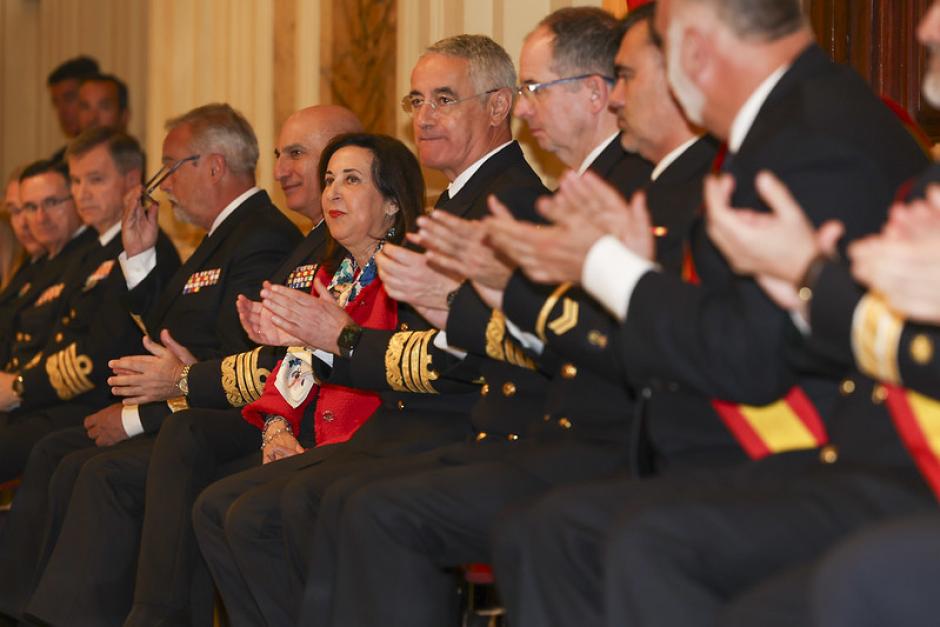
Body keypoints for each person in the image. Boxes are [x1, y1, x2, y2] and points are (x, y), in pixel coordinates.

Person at [474, 0, 932, 624]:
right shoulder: (792, 122)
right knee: (557, 528)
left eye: (631, 73)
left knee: (623, 537)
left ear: (692, 50)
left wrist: (609, 269)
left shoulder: (806, 137)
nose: (926, 27)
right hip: (807, 439)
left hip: (845, 451)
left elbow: (753, 356)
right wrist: (622, 268)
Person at [193, 34, 547, 627]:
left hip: (455, 422)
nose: (424, 117)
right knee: (223, 506)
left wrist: (338, 339)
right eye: (416, 101)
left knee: (285, 505)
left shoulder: (513, 204)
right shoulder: (456, 206)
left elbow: (464, 355)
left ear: (498, 105)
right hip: (406, 415)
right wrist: (309, 340)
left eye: (442, 99)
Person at [33, 105, 365, 627]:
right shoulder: (277, 241)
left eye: (297, 154)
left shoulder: (266, 236)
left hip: (254, 416)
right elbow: (182, 333)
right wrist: (142, 262)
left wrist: (168, 394)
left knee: (111, 467)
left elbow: (246, 357)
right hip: (239, 406)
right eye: (281, 155)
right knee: (73, 457)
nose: (280, 169)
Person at [0, 128, 179, 482]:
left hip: (94, 402)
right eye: (77, 181)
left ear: (131, 180)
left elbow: (103, 350)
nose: (82, 194)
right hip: (55, 401)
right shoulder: (91, 254)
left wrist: (21, 386)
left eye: (95, 180)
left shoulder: (143, 246)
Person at [46, 56, 100, 162]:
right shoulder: (59, 161)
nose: (62, 111)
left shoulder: (128, 158)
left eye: (69, 98)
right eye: (56, 102)